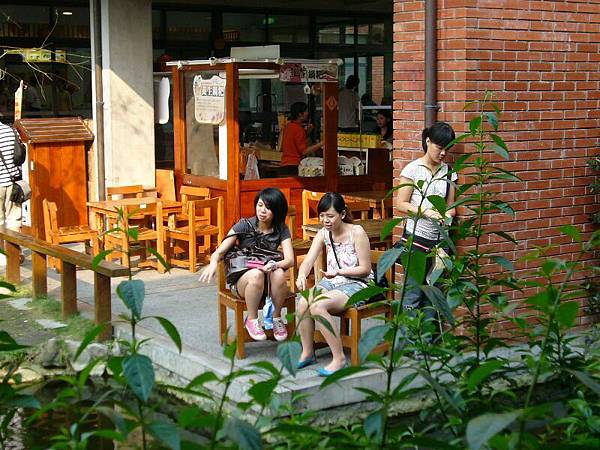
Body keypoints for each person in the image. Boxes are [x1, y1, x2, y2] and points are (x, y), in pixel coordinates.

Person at [199, 187, 295, 342]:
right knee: (256, 274)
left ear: (277, 211)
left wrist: (274, 265)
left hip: (268, 283)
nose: (263, 210)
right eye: (260, 205)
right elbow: (220, 251)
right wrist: (212, 264)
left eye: (268, 208)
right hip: (243, 282)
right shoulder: (244, 225)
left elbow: (290, 260)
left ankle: (276, 318)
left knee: (278, 272)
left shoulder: (281, 229)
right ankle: (252, 320)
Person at [295, 192, 373, 376]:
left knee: (318, 305)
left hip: (357, 284)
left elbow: (365, 269)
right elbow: (308, 260)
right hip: (333, 281)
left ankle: (338, 358)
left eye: (330, 216)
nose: (325, 220)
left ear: (342, 214)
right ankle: (307, 352)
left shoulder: (357, 232)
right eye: (322, 215)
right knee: (304, 301)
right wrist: (301, 275)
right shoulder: (323, 233)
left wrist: (340, 271)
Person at [396, 121, 457, 320]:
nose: (443, 153)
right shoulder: (412, 170)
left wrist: (448, 214)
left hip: (440, 243)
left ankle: (429, 345)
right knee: (412, 293)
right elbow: (401, 204)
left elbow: (451, 206)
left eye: (447, 149)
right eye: (439, 148)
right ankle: (410, 344)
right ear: (428, 141)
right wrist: (425, 212)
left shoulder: (448, 171)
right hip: (416, 240)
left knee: (435, 294)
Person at [0, 120, 24, 265]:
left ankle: (2, 255)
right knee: (14, 219)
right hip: (12, 182)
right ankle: (14, 253)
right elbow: (19, 156)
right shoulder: (11, 131)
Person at [279, 102, 322, 176]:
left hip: (284, 165)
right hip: (294, 166)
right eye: (305, 111)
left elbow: (294, 142)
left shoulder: (288, 126)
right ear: (300, 114)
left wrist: (307, 133)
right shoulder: (298, 129)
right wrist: (322, 143)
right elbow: (304, 151)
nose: (307, 113)